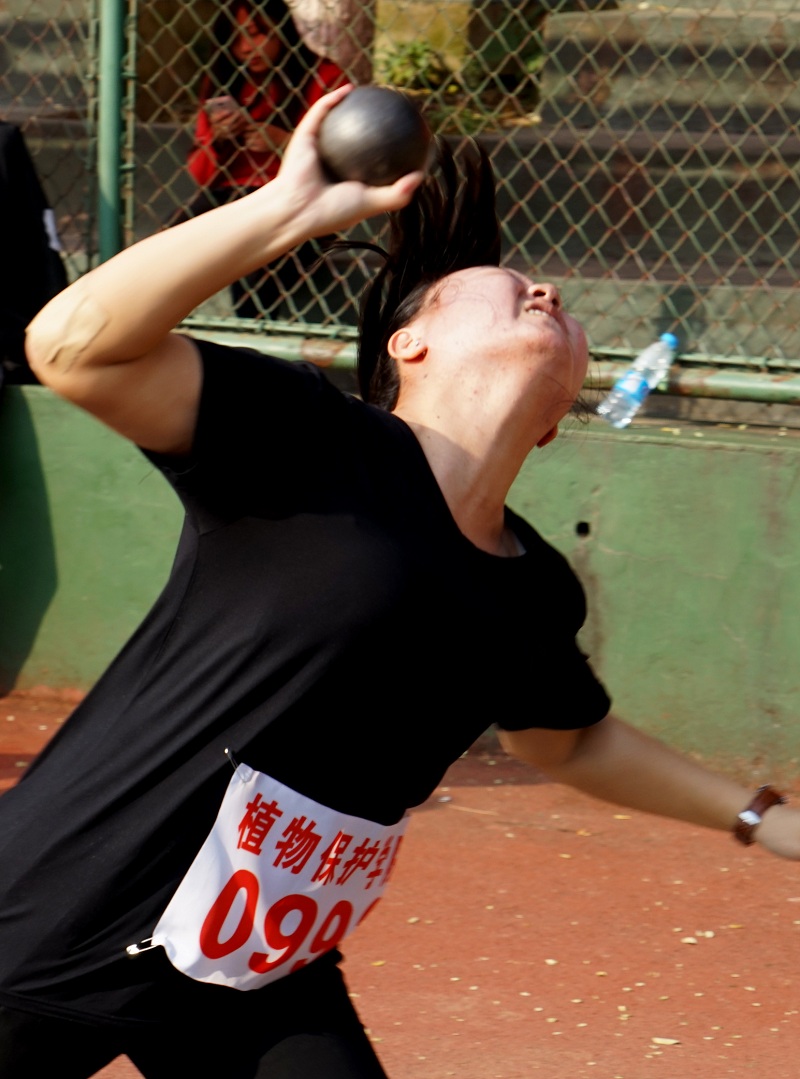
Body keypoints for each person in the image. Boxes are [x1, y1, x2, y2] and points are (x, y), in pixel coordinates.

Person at [4, 85, 800, 1078]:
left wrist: (764, 819)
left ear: (556, 422)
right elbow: (69, 345)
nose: (547, 291)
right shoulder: (310, 442)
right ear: (407, 343)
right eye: (510, 285)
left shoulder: (530, 586)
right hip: (59, 911)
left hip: (251, 966)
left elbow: (569, 737)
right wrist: (284, 208)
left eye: (556, 299)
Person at [170, 0, 345, 317]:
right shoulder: (223, 79)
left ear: (281, 29)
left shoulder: (325, 76)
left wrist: (284, 142)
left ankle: (253, 332)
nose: (245, 48)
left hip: (299, 198)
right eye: (235, 38)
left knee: (255, 260)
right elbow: (201, 175)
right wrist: (219, 140)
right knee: (169, 240)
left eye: (255, 33)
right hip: (231, 196)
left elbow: (344, 160)